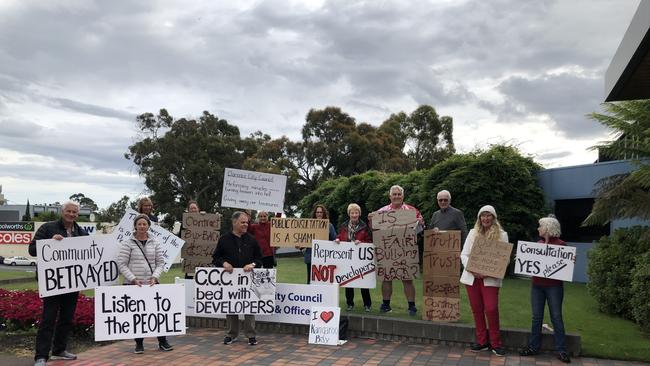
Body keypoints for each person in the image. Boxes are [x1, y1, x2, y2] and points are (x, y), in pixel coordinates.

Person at [29, 201, 87, 366]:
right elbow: (32, 250)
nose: (71, 214)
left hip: (72, 282)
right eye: (68, 211)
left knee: (67, 318)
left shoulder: (81, 232)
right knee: (48, 319)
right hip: (52, 282)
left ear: (77, 214)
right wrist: (50, 242)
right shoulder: (47, 228)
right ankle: (41, 356)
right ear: (62, 212)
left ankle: (59, 350)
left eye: (74, 212)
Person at [117, 214, 173, 354]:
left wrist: (155, 277)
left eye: (144, 224)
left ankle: (162, 341)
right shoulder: (127, 243)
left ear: (149, 226)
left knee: (158, 314)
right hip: (134, 285)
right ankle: (139, 343)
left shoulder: (155, 242)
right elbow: (122, 264)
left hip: (152, 284)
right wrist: (133, 278)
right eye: (139, 224)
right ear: (135, 226)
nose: (142, 226)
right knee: (138, 315)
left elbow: (160, 263)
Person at [519, 216, 571, 363]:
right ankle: (533, 347)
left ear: (547, 228)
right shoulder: (538, 244)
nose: (538, 229)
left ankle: (561, 350)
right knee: (536, 317)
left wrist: (570, 261)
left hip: (554, 287)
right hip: (537, 286)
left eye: (540, 226)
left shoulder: (561, 245)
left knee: (556, 317)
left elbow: (565, 265)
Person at [460, 205, 508, 356]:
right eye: (483, 216)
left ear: (493, 218)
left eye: (488, 216)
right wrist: (472, 269)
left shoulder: (502, 235)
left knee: (491, 309)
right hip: (472, 277)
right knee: (477, 309)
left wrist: (488, 271)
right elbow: (464, 254)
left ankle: (496, 343)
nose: (485, 218)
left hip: (490, 278)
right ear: (479, 218)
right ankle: (482, 341)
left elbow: (503, 258)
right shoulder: (473, 233)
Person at [212, 211, 263, 346]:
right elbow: (216, 258)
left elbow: (259, 259)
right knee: (231, 307)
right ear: (234, 222)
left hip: (248, 280)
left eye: (247, 222)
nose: (246, 224)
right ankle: (231, 334)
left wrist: (252, 265)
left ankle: (251, 335)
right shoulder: (224, 239)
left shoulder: (252, 240)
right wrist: (224, 264)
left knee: (249, 307)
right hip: (230, 280)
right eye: (243, 222)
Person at [374, 185, 424, 316]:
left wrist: (420, 222)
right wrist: (371, 220)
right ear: (390, 196)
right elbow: (374, 229)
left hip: (405, 249)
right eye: (394, 194)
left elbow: (420, 230)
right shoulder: (382, 211)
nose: (396, 196)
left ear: (403, 196)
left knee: (407, 278)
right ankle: (385, 304)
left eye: (399, 194)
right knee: (386, 277)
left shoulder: (411, 210)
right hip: (387, 249)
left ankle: (411, 306)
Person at [335, 203, 373, 312]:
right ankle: (350, 304)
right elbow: (340, 236)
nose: (354, 215)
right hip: (347, 258)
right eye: (352, 213)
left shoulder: (364, 227)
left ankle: (367, 304)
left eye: (356, 212)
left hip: (361, 259)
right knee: (348, 282)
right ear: (349, 214)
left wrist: (361, 242)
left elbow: (369, 241)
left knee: (363, 282)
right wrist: (337, 240)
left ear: (359, 214)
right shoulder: (343, 226)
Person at [303, 204, 337, 284]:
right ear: (315, 214)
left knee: (323, 282)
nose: (319, 214)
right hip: (311, 257)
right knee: (310, 281)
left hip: (324, 258)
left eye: (321, 212)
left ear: (324, 214)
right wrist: (299, 246)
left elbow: (335, 239)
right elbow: (304, 241)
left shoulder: (329, 226)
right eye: (317, 212)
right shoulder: (309, 226)